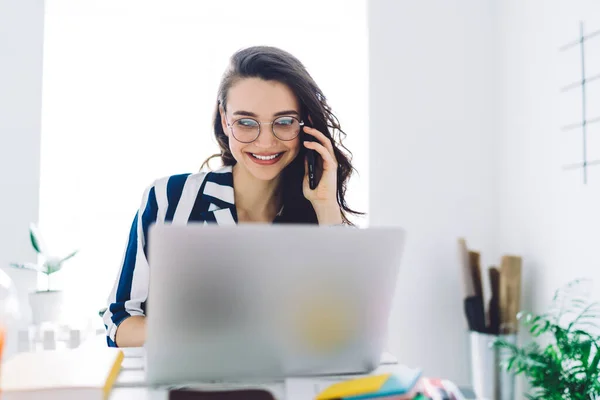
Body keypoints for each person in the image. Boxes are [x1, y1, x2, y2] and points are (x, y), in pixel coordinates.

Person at [103, 46, 362, 348]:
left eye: (284, 122)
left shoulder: (317, 215)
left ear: (304, 124)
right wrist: (205, 332)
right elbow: (119, 321)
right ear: (225, 120)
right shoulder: (169, 199)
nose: (266, 142)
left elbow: (350, 331)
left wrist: (326, 206)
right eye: (246, 123)